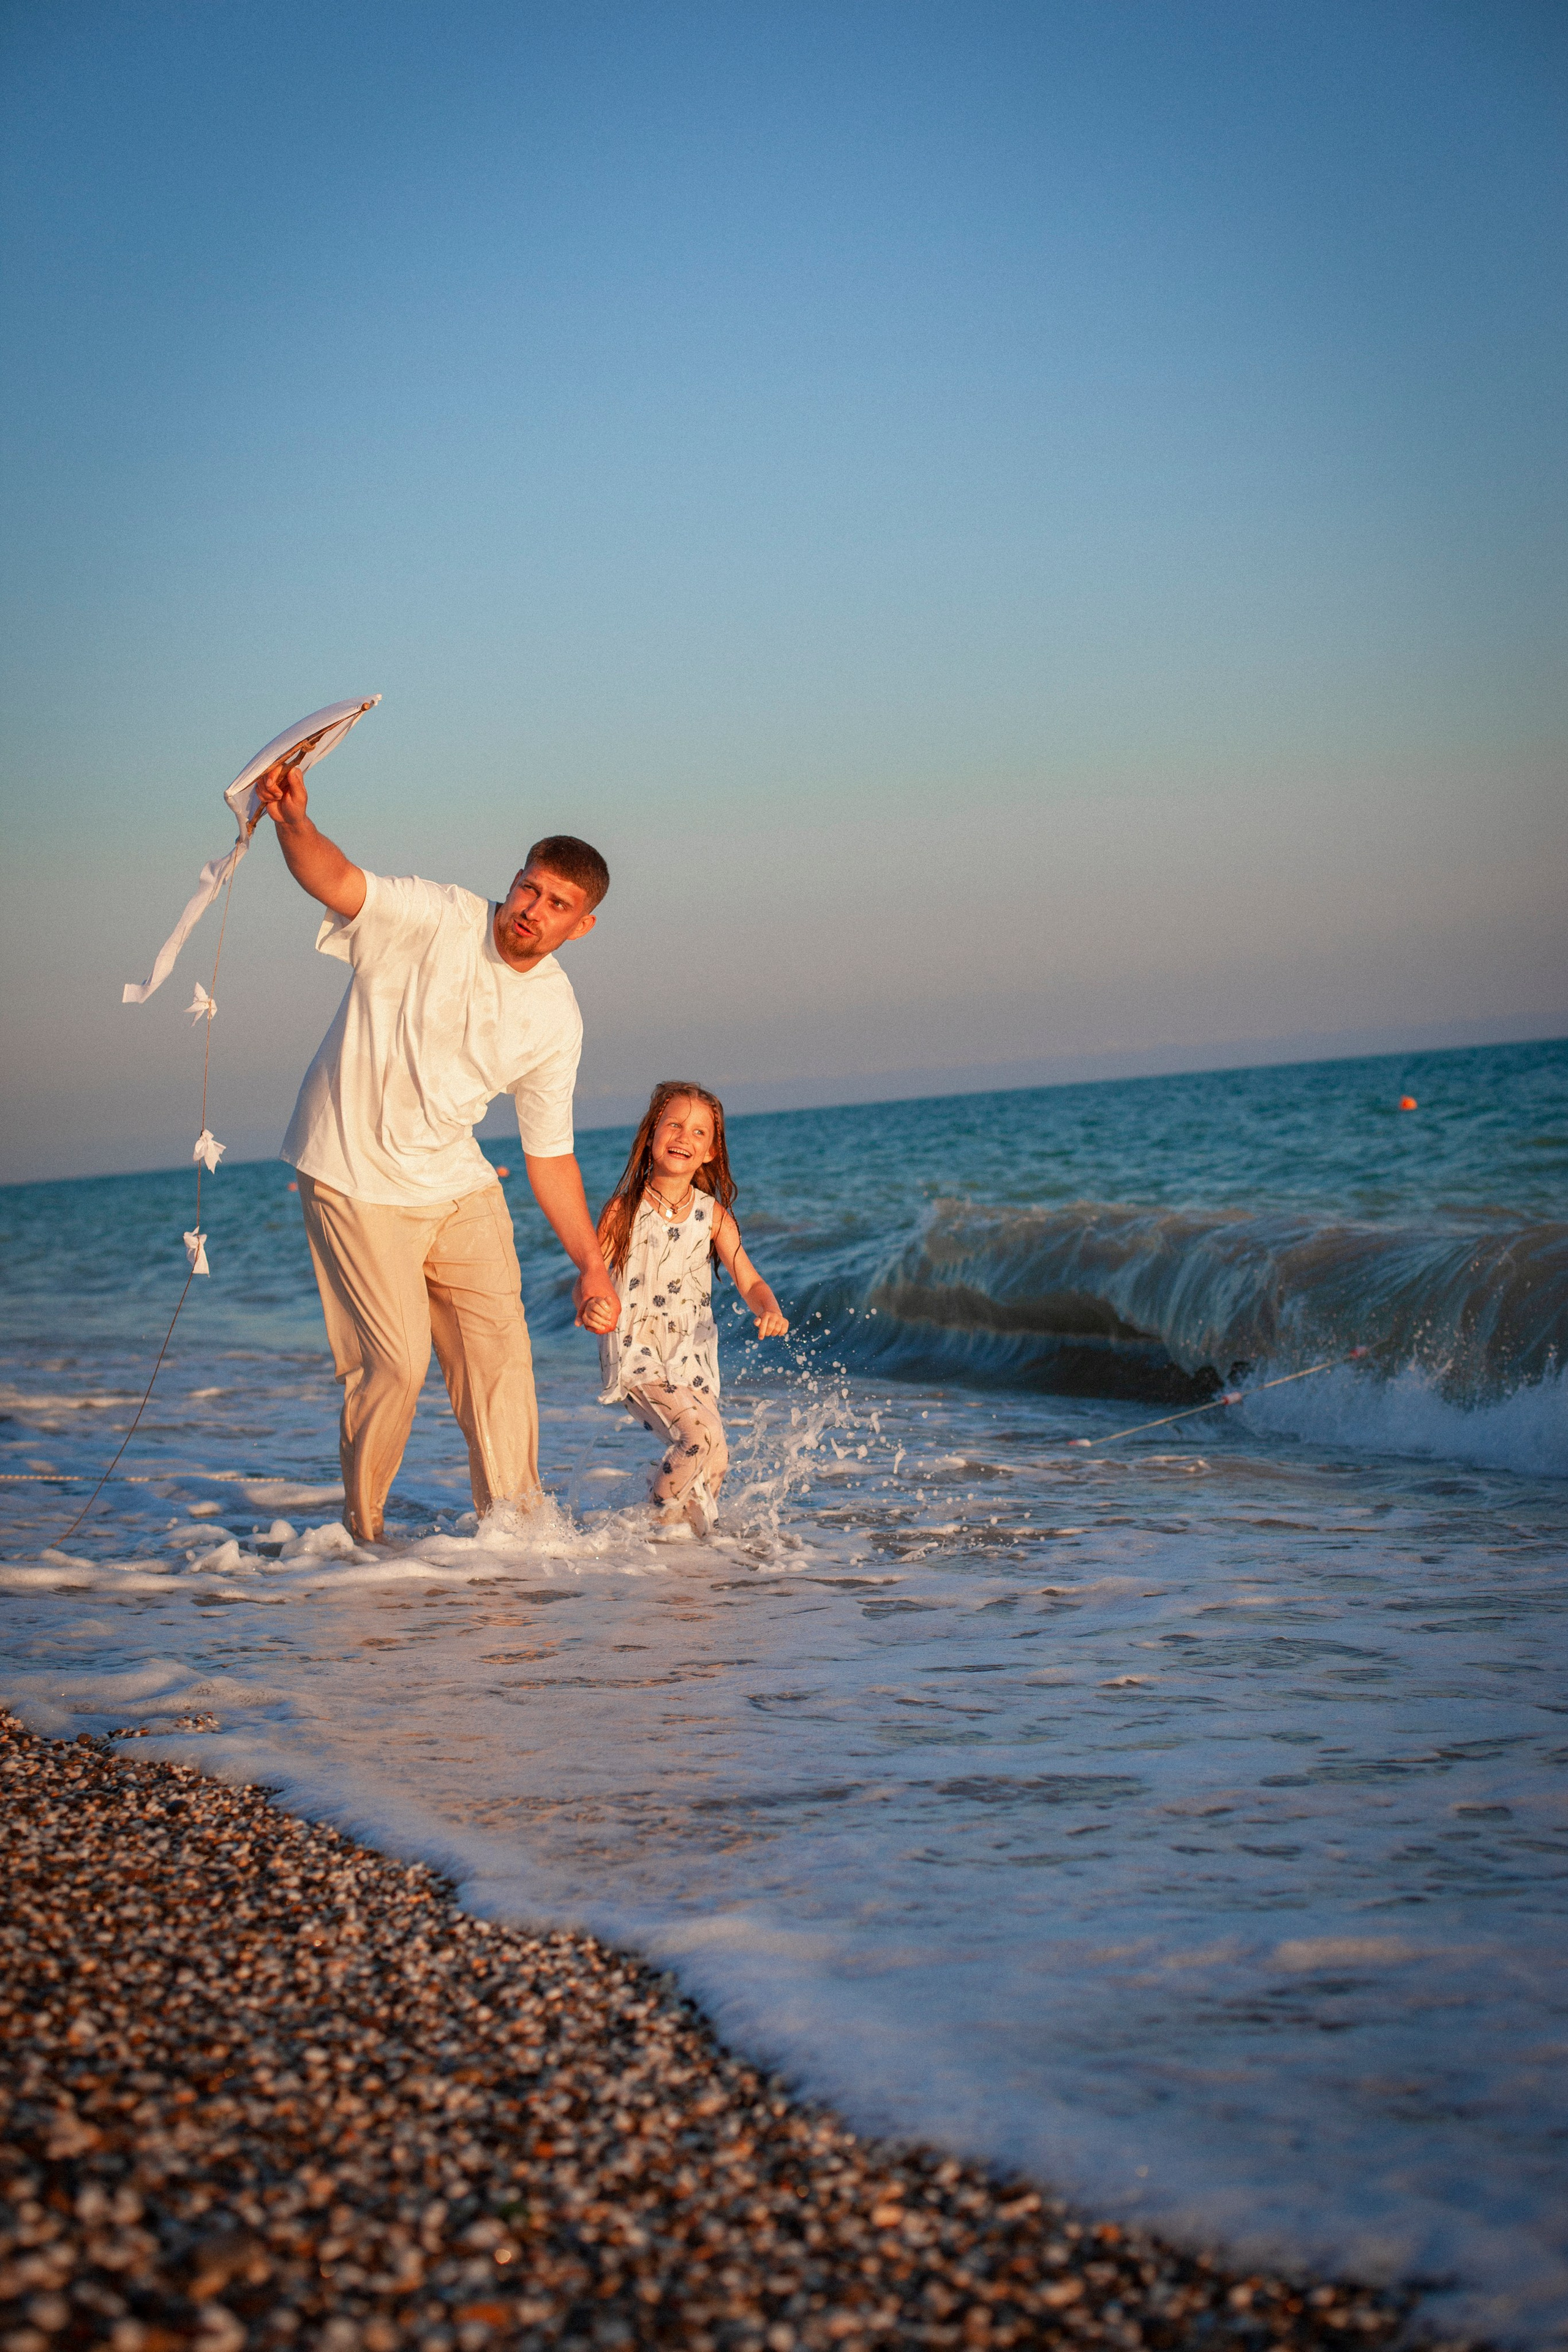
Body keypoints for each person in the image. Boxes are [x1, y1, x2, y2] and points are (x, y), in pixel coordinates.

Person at [254, 754, 620, 1544]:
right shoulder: (434, 916)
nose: (533, 909)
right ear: (514, 880)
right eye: (529, 887)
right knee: (395, 1366)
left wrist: (591, 1262)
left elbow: (548, 1155)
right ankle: (366, 1539)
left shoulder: (556, 1017)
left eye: (557, 903)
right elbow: (338, 882)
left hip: (454, 1181)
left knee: (500, 1363)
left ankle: (516, 1537)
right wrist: (294, 822)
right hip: (352, 1169)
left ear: (579, 925)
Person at [595, 1082, 788, 1536]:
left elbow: (750, 1279)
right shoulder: (624, 1210)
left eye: (700, 1133)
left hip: (691, 1352)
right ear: (651, 1135)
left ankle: (691, 1546)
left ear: (711, 1154)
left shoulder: (714, 1215)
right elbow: (592, 1273)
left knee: (716, 1454)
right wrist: (592, 1304)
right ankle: (653, 1525)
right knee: (696, 1438)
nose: (685, 1137)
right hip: (636, 1348)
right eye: (675, 1125)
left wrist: (768, 1309)